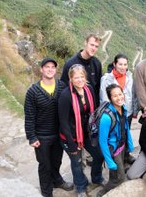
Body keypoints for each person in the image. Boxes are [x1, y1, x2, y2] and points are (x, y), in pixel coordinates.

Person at [24, 58, 73, 197]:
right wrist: (32, 137)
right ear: (41, 69)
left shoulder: (62, 86)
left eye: (53, 67)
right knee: (44, 165)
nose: (50, 69)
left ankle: (57, 180)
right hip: (42, 135)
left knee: (57, 160)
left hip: (59, 133)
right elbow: (29, 116)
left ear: (56, 70)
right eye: (47, 67)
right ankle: (46, 192)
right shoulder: (33, 91)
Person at [58, 64, 105, 197]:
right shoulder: (66, 96)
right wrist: (71, 143)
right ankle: (80, 187)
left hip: (87, 133)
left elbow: (94, 110)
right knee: (77, 162)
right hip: (71, 136)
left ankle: (96, 177)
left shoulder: (89, 89)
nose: (80, 80)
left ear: (85, 77)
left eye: (82, 77)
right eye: (76, 77)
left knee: (99, 155)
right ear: (70, 79)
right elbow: (63, 121)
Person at [97, 84, 134, 197]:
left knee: (117, 174)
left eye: (120, 94)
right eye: (115, 96)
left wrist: (130, 144)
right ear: (110, 98)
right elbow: (102, 142)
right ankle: (102, 193)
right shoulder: (106, 117)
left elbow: (126, 128)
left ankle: (113, 183)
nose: (119, 98)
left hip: (121, 146)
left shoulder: (123, 109)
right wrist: (109, 161)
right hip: (113, 150)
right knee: (120, 177)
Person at [61, 34, 102, 105]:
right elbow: (63, 87)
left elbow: (98, 87)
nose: (94, 48)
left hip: (92, 107)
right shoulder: (70, 64)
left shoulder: (97, 63)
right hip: (74, 106)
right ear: (85, 43)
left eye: (96, 46)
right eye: (92, 45)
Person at [100, 54, 134, 125]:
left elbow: (133, 95)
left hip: (127, 113)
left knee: (126, 135)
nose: (123, 67)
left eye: (125, 64)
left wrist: (135, 111)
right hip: (112, 114)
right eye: (120, 64)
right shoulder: (106, 79)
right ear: (114, 64)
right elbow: (104, 98)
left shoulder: (129, 78)